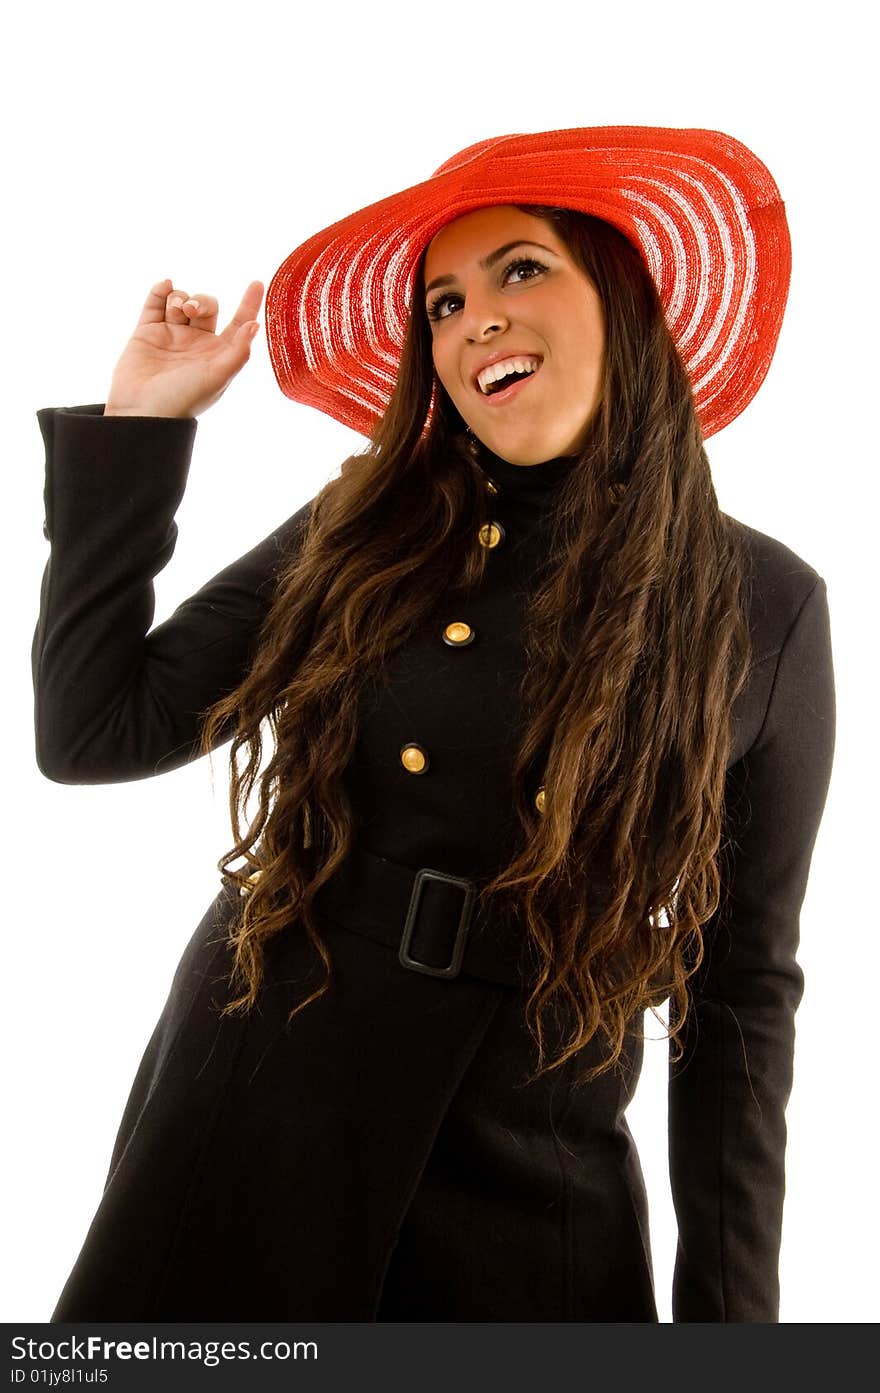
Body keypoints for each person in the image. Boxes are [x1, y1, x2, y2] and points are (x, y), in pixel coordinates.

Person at [32, 125, 836, 1323]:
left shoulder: (762, 603)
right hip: (262, 1091)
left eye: (521, 270)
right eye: (442, 302)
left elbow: (739, 997)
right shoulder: (369, 525)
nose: (475, 321)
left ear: (620, 299)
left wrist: (730, 1324)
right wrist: (142, 429)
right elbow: (94, 729)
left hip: (537, 1161)